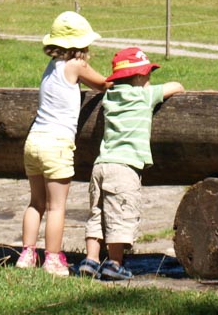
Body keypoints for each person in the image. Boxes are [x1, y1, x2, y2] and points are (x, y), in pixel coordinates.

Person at [77, 46, 185, 281]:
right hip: (124, 168)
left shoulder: (110, 96)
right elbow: (176, 87)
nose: (150, 79)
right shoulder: (143, 95)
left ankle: (91, 260)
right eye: (148, 74)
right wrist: (166, 87)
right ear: (138, 77)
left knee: (97, 214)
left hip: (101, 165)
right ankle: (114, 263)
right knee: (120, 216)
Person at [17, 11, 110, 276]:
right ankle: (54, 259)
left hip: (34, 141)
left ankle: (27, 254)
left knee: (35, 203)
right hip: (57, 144)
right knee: (56, 206)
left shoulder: (51, 67)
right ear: (81, 44)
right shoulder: (76, 65)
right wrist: (122, 79)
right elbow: (102, 84)